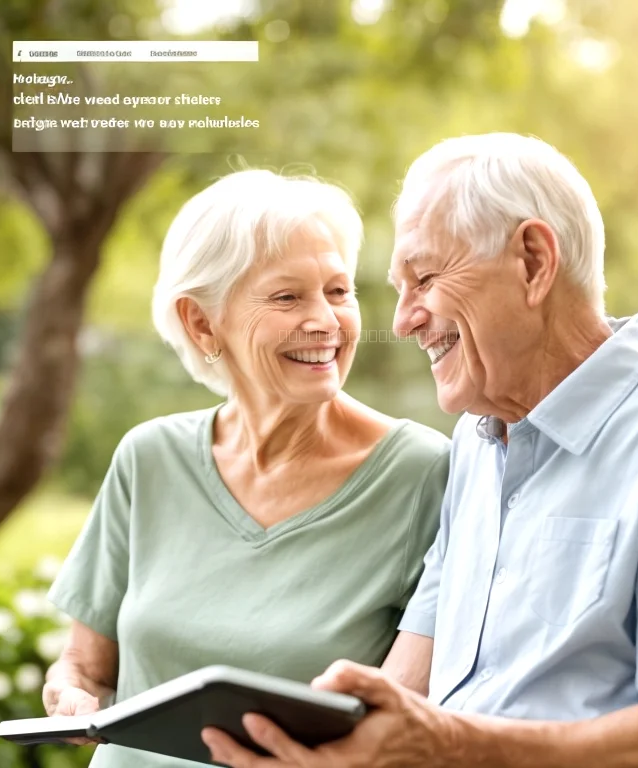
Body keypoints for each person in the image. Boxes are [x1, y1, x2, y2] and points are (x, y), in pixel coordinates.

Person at [202, 133, 638, 768]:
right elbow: (409, 681)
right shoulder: (476, 440)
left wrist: (446, 745)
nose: (404, 319)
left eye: (425, 277)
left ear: (533, 262)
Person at [42, 169, 451, 768]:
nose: (327, 322)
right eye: (288, 297)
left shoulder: (422, 474)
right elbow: (86, 664)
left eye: (339, 291)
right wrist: (70, 692)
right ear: (202, 322)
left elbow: (407, 721)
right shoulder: (148, 458)